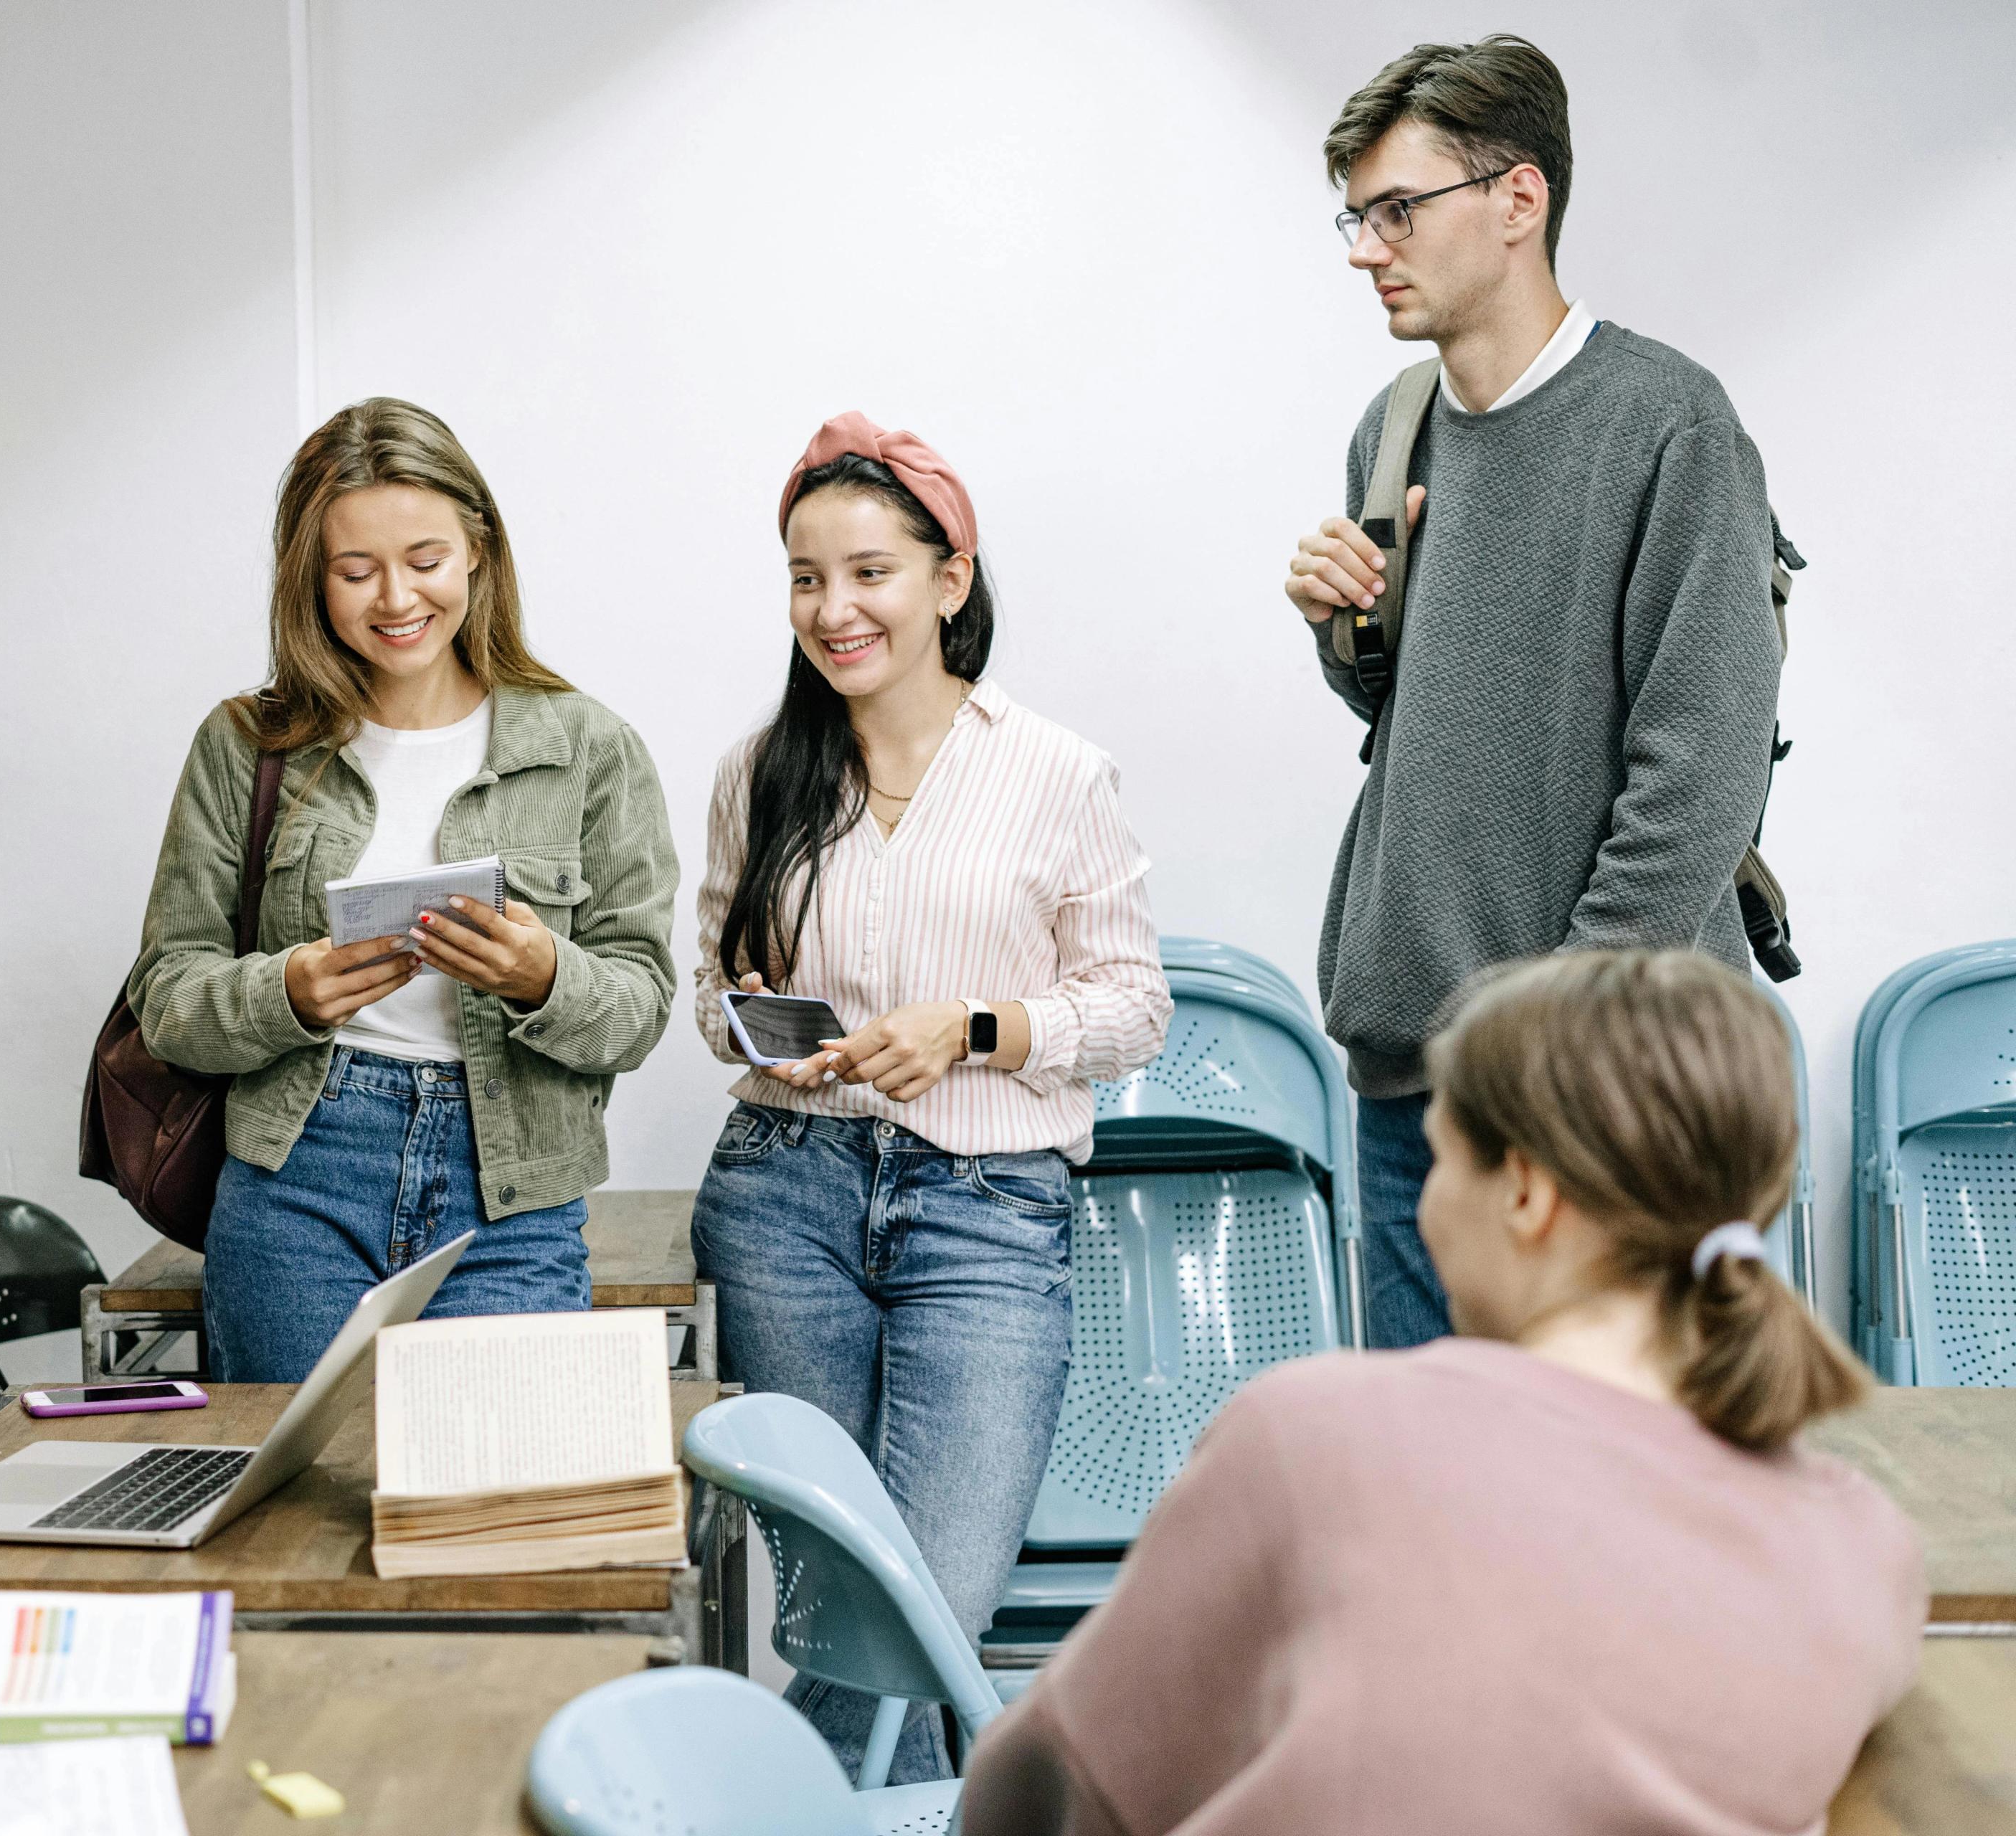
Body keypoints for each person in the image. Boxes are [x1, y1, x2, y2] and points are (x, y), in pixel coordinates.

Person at [960, 949, 1921, 1836]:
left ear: (1526, 1194)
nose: (1423, 1202)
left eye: (1443, 1156)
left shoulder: (1319, 1435)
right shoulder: (1865, 1548)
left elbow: (1044, 1793)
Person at [1279, 35, 1787, 1348]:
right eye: (1357, 213)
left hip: (1604, 1090)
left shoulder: (1670, 425)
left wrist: (1548, 1044)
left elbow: (1701, 778)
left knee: (1619, 1511)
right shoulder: (1390, 429)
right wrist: (1350, 635)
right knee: (1427, 1513)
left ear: (1519, 200)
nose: (1364, 247)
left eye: (1399, 209)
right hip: (1413, 1084)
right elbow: (1425, 722)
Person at [691, 412, 1170, 1784]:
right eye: (803, 577)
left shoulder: (1057, 772)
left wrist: (973, 1028)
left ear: (950, 580)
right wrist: (761, 1029)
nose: (832, 610)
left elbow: (1133, 1007)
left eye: (869, 573)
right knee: (836, 1602)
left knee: (925, 1605)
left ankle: (768, 1805)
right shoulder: (761, 773)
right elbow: (708, 995)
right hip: (784, 1198)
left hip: (989, 1212)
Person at [130, 397, 678, 1382]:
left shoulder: (589, 749)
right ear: (310, 579)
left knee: (490, 1511)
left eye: (424, 561)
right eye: (355, 571)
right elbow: (168, 997)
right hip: (299, 1176)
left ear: (479, 552)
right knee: (291, 1516)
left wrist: (545, 975)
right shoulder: (245, 748)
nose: (395, 599)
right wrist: (287, 993)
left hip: (512, 1188)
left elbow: (640, 1009)